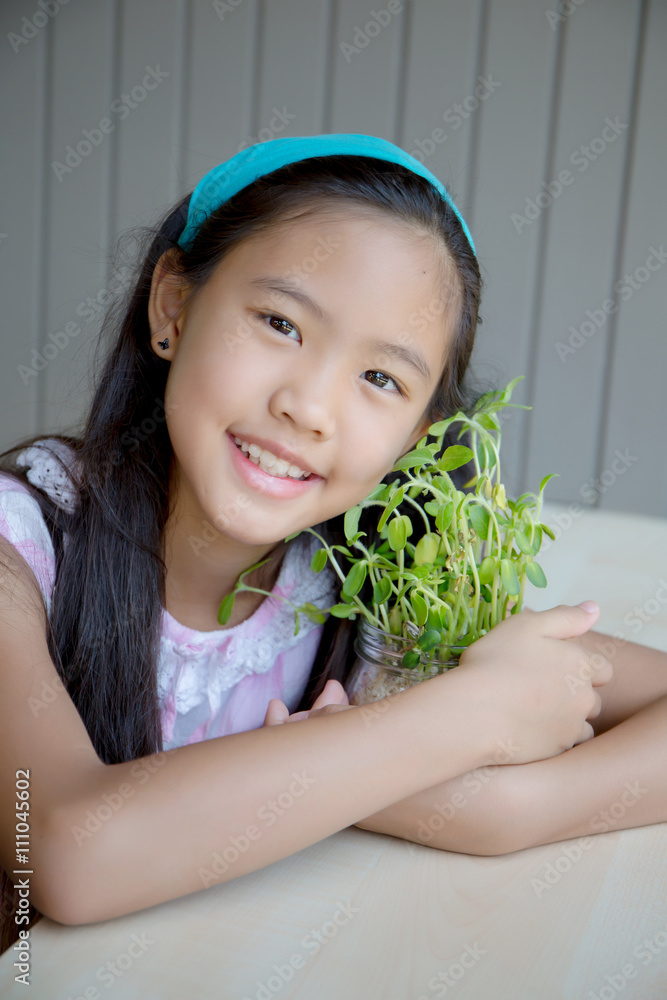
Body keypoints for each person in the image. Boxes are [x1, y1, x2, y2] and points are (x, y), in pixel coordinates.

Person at [0, 130, 656, 949]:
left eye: (380, 379)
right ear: (173, 306)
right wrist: (460, 722)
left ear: (416, 439)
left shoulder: (365, 585)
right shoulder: (21, 549)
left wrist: (504, 807)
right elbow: (64, 853)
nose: (309, 407)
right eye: (280, 323)